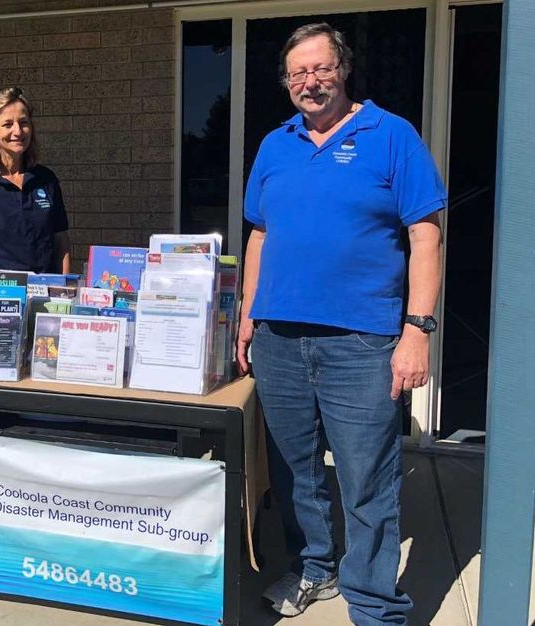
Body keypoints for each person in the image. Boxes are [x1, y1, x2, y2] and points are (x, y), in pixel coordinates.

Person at [237, 24, 446, 624]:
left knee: (367, 482)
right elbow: (259, 233)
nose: (310, 81)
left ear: (343, 69)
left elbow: (425, 234)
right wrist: (250, 316)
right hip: (278, 340)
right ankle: (314, 568)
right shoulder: (275, 144)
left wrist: (417, 330)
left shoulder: (391, 135)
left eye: (321, 68)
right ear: (287, 82)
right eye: (298, 73)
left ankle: (376, 606)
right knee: (293, 470)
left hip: (362, 344)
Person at [0, 86, 70, 301]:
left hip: (44, 298)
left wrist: (63, 295)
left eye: (24, 122)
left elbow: (61, 241)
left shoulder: (46, 179)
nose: (17, 131)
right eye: (7, 124)